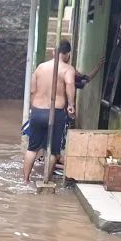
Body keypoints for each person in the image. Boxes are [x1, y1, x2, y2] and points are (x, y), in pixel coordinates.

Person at [22, 40, 77, 183]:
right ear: (67, 54)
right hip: (55, 112)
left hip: (37, 111)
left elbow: (33, 90)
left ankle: (25, 180)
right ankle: (46, 180)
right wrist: (71, 104)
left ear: (54, 52)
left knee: (32, 148)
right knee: (53, 151)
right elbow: (70, 84)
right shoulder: (67, 69)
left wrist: (33, 108)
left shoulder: (40, 67)